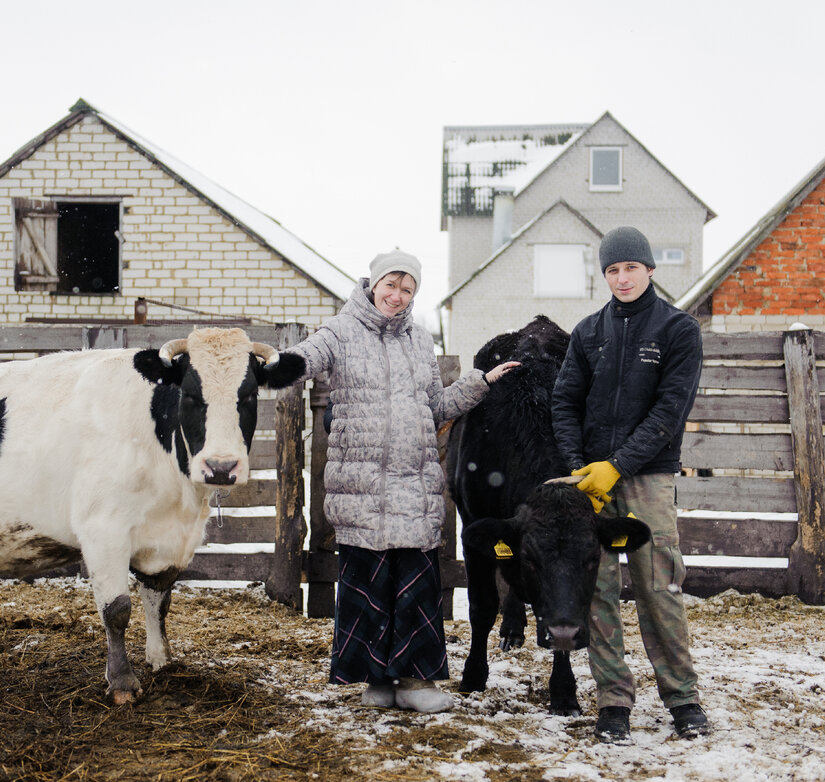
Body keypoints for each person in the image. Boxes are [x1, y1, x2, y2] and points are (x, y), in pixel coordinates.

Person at [280, 251, 517, 713]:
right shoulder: (340, 330)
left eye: (407, 289)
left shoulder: (419, 340)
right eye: (391, 285)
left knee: (414, 587)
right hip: (363, 487)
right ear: (374, 284)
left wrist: (481, 383)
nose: (397, 296)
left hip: (413, 485)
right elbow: (305, 358)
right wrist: (272, 368)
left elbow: (436, 407)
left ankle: (415, 683)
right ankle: (376, 681)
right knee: (369, 586)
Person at [550, 226, 710, 742]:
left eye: (631, 268)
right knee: (595, 592)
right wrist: (581, 469)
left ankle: (682, 698)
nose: (622, 278)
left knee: (658, 586)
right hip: (592, 483)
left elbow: (670, 411)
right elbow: (565, 402)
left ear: (650, 270)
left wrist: (618, 464)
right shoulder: (588, 333)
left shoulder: (677, 330)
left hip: (648, 478)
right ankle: (613, 700)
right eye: (612, 270)